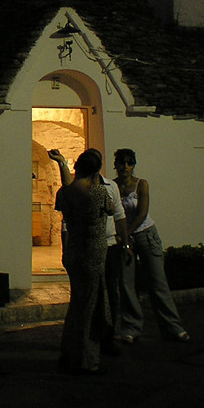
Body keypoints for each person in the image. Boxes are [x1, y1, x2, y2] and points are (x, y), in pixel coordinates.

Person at [49, 148, 130, 356]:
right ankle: (87, 356)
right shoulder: (100, 193)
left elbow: (69, 190)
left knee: (78, 303)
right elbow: (113, 211)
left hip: (76, 249)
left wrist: (62, 164)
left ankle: (70, 352)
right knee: (91, 306)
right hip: (94, 252)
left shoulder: (64, 194)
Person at [113, 148, 190, 342]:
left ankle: (173, 327)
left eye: (129, 163)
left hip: (145, 234)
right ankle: (131, 328)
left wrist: (125, 233)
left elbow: (141, 213)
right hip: (124, 238)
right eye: (122, 163)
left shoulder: (141, 185)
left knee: (157, 282)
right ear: (116, 164)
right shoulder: (112, 186)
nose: (125, 167)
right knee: (127, 284)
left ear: (134, 165)